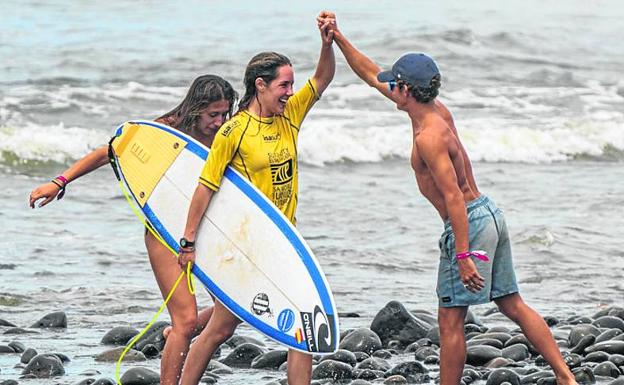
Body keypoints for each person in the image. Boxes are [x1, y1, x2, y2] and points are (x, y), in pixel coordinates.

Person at [317, 11, 579, 385]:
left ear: (406, 90)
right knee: (512, 304)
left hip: (468, 221)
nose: (389, 87)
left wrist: (463, 255)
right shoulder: (434, 110)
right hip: (490, 214)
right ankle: (567, 378)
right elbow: (373, 73)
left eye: (396, 85)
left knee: (450, 320)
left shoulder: (429, 136)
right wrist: (337, 38)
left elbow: (453, 197)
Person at [28, 74, 238, 385]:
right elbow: (108, 152)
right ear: (195, 109)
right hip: (164, 233)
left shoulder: (227, 135)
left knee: (231, 308)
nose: (219, 121)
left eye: (224, 114)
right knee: (186, 320)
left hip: (205, 232)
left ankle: (173, 335)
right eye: (212, 115)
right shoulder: (165, 130)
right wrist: (59, 182)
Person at [176, 21, 335, 385]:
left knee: (302, 329)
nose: (289, 92)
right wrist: (188, 241)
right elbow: (206, 187)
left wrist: (327, 44)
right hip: (248, 245)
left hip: (284, 241)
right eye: (284, 85)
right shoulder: (233, 131)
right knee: (220, 329)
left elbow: (322, 79)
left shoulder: (289, 115)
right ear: (260, 85)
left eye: (292, 85)